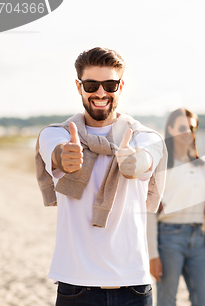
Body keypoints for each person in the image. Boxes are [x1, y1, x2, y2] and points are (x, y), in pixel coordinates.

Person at [35, 47, 167, 306]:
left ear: (121, 86)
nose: (100, 92)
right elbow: (56, 152)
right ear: (79, 86)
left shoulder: (143, 136)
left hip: (134, 287)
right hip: (76, 286)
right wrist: (65, 157)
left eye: (109, 84)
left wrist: (135, 162)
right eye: (91, 84)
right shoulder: (56, 134)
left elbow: (147, 155)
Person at [147, 108, 205, 306]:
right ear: (170, 128)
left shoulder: (201, 164)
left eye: (192, 128)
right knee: (167, 300)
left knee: (204, 298)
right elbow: (149, 211)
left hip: (198, 238)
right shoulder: (161, 163)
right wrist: (153, 256)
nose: (189, 132)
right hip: (169, 238)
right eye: (183, 127)